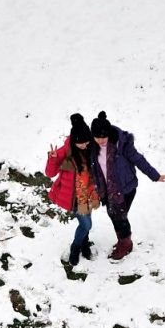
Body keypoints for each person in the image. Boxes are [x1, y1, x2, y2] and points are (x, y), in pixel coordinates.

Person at [89, 111, 165, 260]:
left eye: (103, 137)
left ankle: (126, 244)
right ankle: (122, 241)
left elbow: (138, 159)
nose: (100, 141)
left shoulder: (122, 143)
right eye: (97, 137)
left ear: (109, 134)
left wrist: (155, 175)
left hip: (125, 188)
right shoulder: (93, 147)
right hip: (107, 189)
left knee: (119, 216)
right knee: (113, 214)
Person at [45, 113, 100, 266]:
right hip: (73, 196)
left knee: (86, 221)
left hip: (89, 193)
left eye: (86, 141)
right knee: (86, 224)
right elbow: (50, 173)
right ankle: (75, 247)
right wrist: (53, 158)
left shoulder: (91, 148)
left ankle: (84, 243)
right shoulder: (65, 151)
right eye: (80, 143)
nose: (84, 145)